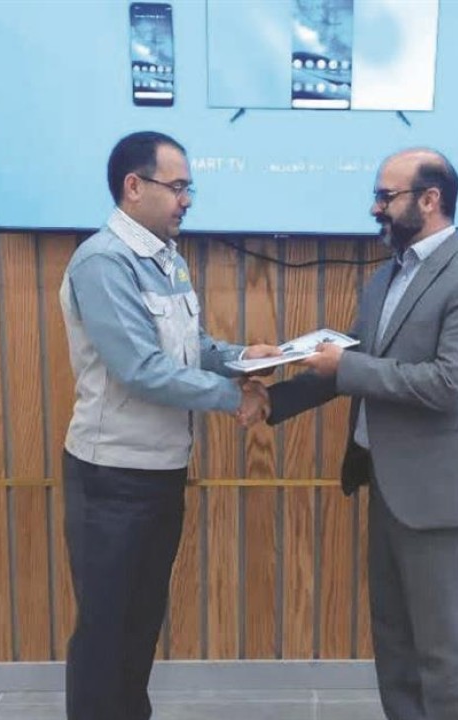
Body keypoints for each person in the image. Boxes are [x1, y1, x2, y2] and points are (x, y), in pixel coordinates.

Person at [255, 148, 458, 720]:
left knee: (442, 652)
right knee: (393, 642)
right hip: (386, 487)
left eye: (385, 197)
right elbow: (353, 359)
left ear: (430, 200)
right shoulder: (387, 276)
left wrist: (344, 365)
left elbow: (449, 383)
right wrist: (273, 396)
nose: (375, 208)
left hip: (437, 500)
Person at [59, 131, 277, 720]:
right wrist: (234, 398)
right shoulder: (104, 262)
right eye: (177, 187)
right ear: (134, 186)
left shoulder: (168, 259)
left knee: (140, 623)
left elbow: (190, 348)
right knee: (106, 631)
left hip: (161, 471)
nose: (186, 200)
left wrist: (244, 359)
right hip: (112, 477)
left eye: (188, 188)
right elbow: (140, 368)